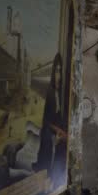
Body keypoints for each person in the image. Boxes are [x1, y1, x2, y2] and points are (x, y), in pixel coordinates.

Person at [33, 53, 67, 187]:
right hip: (49, 130)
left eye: (60, 71)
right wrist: (59, 131)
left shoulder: (62, 93)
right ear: (53, 73)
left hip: (57, 131)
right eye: (57, 71)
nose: (58, 75)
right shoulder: (50, 92)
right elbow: (46, 120)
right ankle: (47, 175)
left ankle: (55, 179)